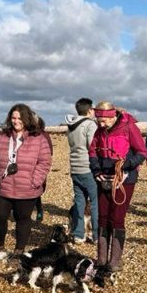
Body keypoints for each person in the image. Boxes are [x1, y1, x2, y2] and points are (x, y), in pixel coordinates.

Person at [89, 101, 147, 281]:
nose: (101, 124)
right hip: (103, 179)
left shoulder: (129, 128)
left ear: (113, 117)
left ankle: (114, 260)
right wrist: (96, 171)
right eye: (98, 120)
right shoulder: (99, 131)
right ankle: (101, 258)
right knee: (102, 217)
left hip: (124, 180)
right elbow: (92, 152)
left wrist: (124, 166)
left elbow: (142, 152)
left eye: (104, 121)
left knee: (117, 218)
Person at [0, 104, 53, 253]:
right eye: (13, 118)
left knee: (23, 219)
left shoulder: (39, 138)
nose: (16, 121)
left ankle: (19, 250)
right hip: (3, 185)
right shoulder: (3, 136)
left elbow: (45, 162)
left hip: (27, 188)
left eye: (20, 118)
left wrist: (34, 181)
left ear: (27, 119)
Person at [65, 97, 98, 243]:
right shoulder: (90, 125)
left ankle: (79, 234)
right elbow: (93, 146)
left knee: (79, 201)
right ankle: (95, 235)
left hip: (75, 167)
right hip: (87, 167)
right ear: (89, 110)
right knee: (96, 201)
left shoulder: (70, 125)